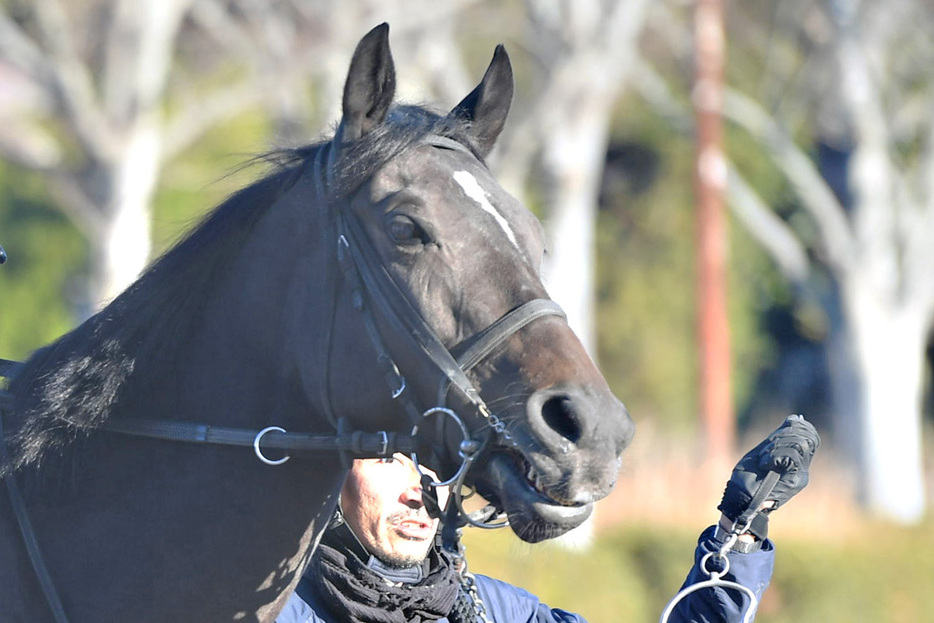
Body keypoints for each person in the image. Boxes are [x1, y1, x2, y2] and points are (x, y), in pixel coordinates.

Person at [277, 415, 819, 623]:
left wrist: (740, 527)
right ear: (331, 475)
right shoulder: (265, 609)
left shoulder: (493, 612)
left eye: (434, 466)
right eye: (389, 460)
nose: (421, 492)